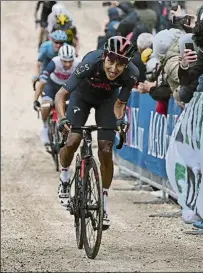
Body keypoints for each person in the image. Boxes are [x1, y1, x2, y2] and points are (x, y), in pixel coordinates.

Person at [54, 36, 139, 228]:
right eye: (111, 62)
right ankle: (65, 177)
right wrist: (62, 119)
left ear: (127, 65)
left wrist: (119, 120)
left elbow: (120, 104)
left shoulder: (132, 74)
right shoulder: (91, 62)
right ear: (104, 57)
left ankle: (104, 204)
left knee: (106, 149)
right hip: (81, 98)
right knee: (73, 140)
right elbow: (61, 94)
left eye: (120, 65)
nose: (114, 69)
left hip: (107, 101)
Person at [33, 44, 80, 146]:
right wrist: (35, 100)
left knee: (72, 107)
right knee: (46, 106)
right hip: (52, 86)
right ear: (60, 58)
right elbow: (42, 82)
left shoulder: (78, 63)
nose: (67, 64)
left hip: (67, 88)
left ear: (74, 58)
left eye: (70, 61)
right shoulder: (55, 62)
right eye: (64, 61)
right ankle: (45, 127)